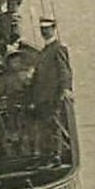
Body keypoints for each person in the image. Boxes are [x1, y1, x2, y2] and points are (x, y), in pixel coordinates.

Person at [30, 18, 74, 162]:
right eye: (42, 29)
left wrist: (66, 89)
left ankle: (56, 156)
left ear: (53, 29)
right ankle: (48, 156)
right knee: (45, 127)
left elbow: (64, 71)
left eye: (47, 29)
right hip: (41, 98)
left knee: (54, 125)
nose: (44, 32)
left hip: (52, 96)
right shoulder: (43, 52)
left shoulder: (58, 48)